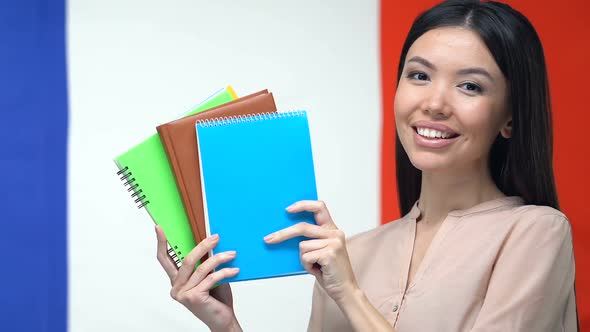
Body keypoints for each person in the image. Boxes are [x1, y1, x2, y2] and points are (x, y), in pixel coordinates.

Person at [154, 0, 578, 330]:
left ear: (510, 116)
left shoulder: (537, 233)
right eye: (419, 75)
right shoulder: (348, 253)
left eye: (470, 85)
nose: (433, 103)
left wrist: (350, 294)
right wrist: (224, 325)